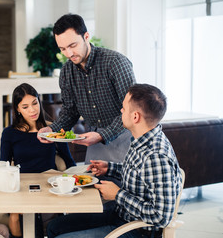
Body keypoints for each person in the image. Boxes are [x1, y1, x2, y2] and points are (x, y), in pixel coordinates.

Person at [46, 84, 183, 238]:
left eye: (124, 108)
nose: (121, 111)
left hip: (136, 231)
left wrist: (118, 194)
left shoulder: (156, 156)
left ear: (135, 117)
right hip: (121, 214)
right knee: (54, 227)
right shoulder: (142, 138)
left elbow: (162, 217)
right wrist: (110, 168)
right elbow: (140, 174)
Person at [37, 13, 136, 164]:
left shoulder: (115, 63)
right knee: (91, 186)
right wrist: (52, 130)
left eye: (72, 45)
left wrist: (103, 135)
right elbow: (70, 111)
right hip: (94, 141)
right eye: (62, 48)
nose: (68, 54)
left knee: (122, 186)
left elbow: (132, 109)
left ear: (86, 36)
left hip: (125, 137)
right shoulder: (66, 72)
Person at [0, 83, 76, 237]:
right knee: (26, 220)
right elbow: (4, 166)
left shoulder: (52, 130)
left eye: (35, 103)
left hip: (50, 189)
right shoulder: (9, 133)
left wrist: (80, 179)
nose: (33, 110)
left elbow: (69, 163)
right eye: (25, 106)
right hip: (22, 189)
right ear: (18, 110)